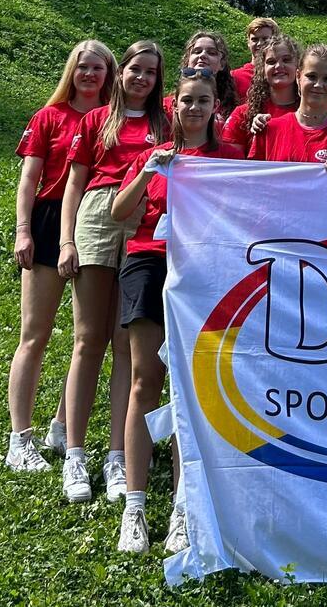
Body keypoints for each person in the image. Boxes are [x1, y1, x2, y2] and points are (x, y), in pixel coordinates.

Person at [113, 69, 245, 554]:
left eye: (202, 101)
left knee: (191, 387)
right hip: (149, 262)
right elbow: (119, 214)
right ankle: (135, 506)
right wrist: (150, 168)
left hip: (203, 273)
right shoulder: (156, 155)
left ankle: (182, 508)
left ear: (216, 107)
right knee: (146, 379)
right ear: (174, 106)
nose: (193, 109)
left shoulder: (230, 157)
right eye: (186, 100)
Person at [58, 40, 168, 503]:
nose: (141, 78)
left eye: (150, 72)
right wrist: (66, 240)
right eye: (134, 69)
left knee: (127, 343)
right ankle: (75, 453)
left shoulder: (166, 122)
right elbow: (73, 184)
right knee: (88, 340)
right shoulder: (96, 120)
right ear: (120, 73)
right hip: (100, 211)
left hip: (146, 220)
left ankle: (118, 456)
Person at [5, 40, 117, 472]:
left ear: (109, 75)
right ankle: (19, 438)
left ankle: (60, 425)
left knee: (91, 338)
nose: (90, 74)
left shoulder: (112, 120)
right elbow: (28, 179)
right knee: (35, 335)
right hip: (51, 221)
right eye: (83, 66)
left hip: (97, 224)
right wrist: (23, 231)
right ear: (72, 70)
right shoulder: (49, 117)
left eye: (98, 68)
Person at [248, 43, 327, 171]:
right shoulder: (269, 130)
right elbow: (253, 182)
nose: (318, 85)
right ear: (298, 76)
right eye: (311, 77)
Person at [221, 34, 300, 152]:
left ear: (298, 66)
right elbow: (229, 162)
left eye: (286, 60)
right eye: (271, 62)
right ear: (262, 70)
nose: (279, 66)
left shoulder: (313, 114)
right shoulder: (242, 114)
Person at [162, 31, 237, 124]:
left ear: (222, 64)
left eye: (211, 53)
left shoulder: (233, 110)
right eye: (197, 51)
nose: (202, 55)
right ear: (187, 61)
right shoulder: (166, 106)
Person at [230, 17, 281, 103]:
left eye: (265, 39)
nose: (260, 43)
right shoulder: (235, 76)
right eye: (254, 39)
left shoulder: (282, 73)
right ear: (248, 43)